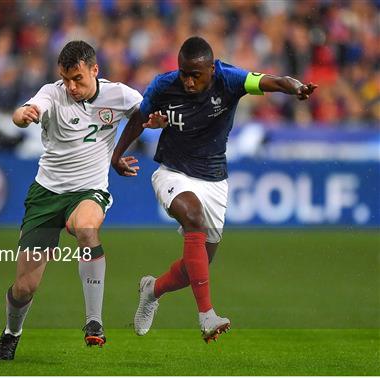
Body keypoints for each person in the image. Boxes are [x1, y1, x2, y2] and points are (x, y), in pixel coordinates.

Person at [111, 36, 317, 343]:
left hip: (214, 182)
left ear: (211, 68)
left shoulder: (230, 79)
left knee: (197, 266)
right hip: (173, 173)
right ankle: (207, 316)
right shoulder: (163, 85)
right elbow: (140, 118)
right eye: (184, 73)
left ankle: (151, 290)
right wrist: (116, 156)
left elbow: (271, 81)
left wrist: (295, 87)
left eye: (196, 74)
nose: (188, 81)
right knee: (192, 215)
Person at [0, 40, 143, 359]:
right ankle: (12, 332)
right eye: (65, 79)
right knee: (24, 289)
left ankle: (94, 322)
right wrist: (24, 115)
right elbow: (21, 115)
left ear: (94, 70)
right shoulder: (52, 93)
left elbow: (144, 113)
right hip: (46, 195)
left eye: (78, 79)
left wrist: (118, 155)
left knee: (88, 229)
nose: (71, 87)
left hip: (89, 191)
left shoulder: (119, 95)